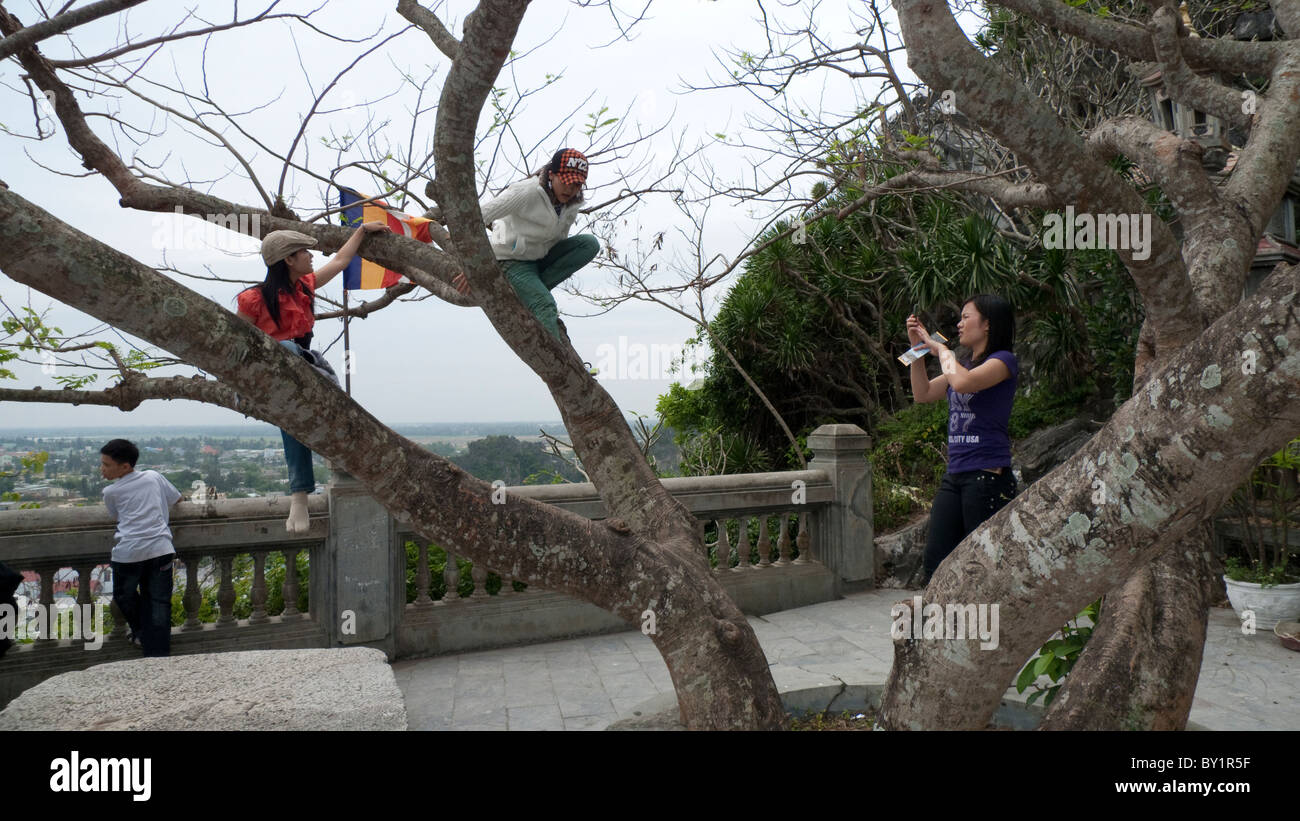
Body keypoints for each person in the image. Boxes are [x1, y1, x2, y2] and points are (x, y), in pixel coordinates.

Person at [236, 221, 386, 533]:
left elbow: (341, 261)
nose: (311, 256)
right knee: (286, 349)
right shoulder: (252, 299)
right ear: (288, 259)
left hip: (305, 366)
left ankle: (300, 494)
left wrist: (360, 231)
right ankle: (300, 494)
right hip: (270, 369)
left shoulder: (304, 286)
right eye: (304, 252)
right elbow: (236, 347)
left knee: (295, 417)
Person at [906, 295, 1019, 580]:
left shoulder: (1004, 361)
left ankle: (985, 623)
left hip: (986, 476)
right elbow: (923, 394)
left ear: (988, 325)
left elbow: (964, 384)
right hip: (955, 475)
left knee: (981, 567)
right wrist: (917, 350)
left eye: (966, 317)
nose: (959, 324)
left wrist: (942, 350)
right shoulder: (963, 364)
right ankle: (943, 622)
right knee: (936, 561)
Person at [453, 148, 599, 343]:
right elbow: (475, 218)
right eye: (565, 181)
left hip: (540, 259)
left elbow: (559, 239)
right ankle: (556, 364)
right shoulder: (527, 192)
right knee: (545, 305)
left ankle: (528, 294)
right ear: (552, 174)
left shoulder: (571, 205)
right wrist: (474, 264)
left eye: (576, 184)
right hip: (511, 260)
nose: (570, 189)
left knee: (589, 244)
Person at [101, 438, 182, 657]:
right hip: (160, 548)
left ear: (125, 466)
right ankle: (158, 651)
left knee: (124, 596)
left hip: (129, 553)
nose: (102, 469)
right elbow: (177, 498)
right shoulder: (153, 477)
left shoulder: (111, 492)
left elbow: (117, 516)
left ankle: (142, 633)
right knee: (159, 603)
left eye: (107, 465)